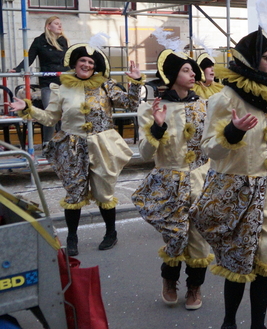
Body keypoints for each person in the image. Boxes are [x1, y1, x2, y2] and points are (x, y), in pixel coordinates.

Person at [189, 28, 267, 329]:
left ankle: (258, 324)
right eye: (266, 58)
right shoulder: (224, 98)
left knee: (266, 259)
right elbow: (209, 148)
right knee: (238, 262)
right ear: (251, 61)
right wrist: (233, 131)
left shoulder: (266, 96)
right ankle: (229, 322)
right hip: (234, 190)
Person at [10, 41, 143, 256]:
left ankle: (111, 232)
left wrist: (135, 83)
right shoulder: (62, 88)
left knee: (104, 192)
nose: (87, 64)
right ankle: (72, 237)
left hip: (102, 146)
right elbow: (50, 117)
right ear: (75, 63)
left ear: (95, 66)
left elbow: (131, 104)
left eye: (91, 62)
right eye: (83, 60)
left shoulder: (105, 86)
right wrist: (28, 108)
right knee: (74, 194)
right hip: (72, 147)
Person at [131, 49, 214, 310]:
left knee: (199, 238)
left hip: (200, 179)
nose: (193, 74)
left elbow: (211, 145)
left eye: (193, 70)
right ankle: (169, 280)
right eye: (186, 70)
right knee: (175, 236)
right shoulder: (150, 108)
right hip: (168, 179)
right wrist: (157, 126)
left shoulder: (203, 104)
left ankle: (194, 287)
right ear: (172, 75)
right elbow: (145, 152)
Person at [10, 16, 70, 143]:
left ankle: (64, 144)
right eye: (56, 24)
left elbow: (68, 60)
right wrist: (18, 69)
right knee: (50, 113)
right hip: (48, 82)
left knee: (67, 113)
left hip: (64, 81)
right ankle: (46, 144)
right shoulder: (39, 41)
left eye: (60, 24)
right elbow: (30, 57)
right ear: (48, 26)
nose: (60, 26)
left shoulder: (63, 40)